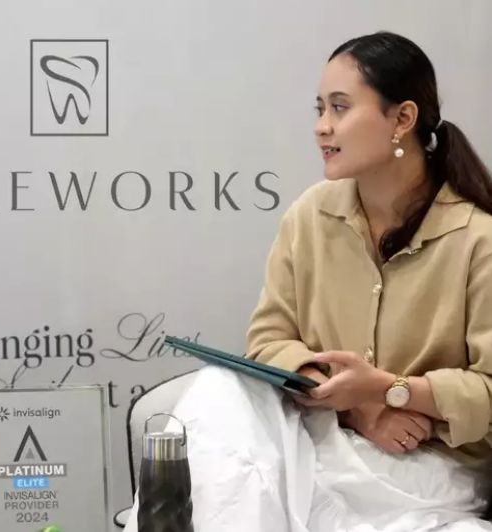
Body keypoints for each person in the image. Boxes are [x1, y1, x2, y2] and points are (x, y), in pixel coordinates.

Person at [127, 31, 492, 531]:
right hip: (328, 435)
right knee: (221, 389)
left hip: (429, 469)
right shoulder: (310, 214)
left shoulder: (478, 240)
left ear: (402, 119)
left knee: (265, 490)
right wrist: (360, 408)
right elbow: (268, 342)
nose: (322, 127)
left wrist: (392, 390)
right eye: (320, 109)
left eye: (340, 107)